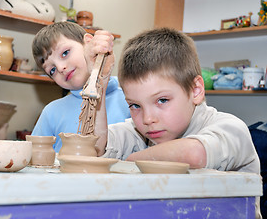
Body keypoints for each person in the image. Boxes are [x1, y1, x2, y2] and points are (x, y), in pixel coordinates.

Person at [95, 27, 262, 218]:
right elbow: (94, 146)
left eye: (162, 100)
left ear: (196, 90)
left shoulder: (231, 128)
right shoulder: (139, 132)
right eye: (135, 105)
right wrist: (98, 85)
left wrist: (131, 161)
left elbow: (193, 154)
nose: (148, 119)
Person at [31, 21, 130, 152]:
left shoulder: (129, 96)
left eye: (65, 53)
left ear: (89, 43)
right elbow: (34, 158)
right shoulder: (51, 112)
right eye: (52, 70)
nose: (60, 68)